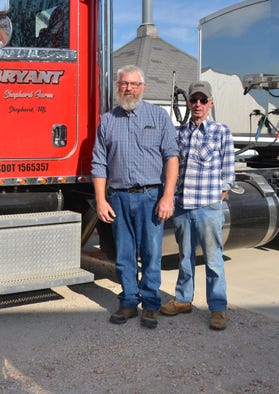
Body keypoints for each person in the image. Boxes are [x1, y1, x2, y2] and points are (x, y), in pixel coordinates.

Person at [91, 65, 179, 329]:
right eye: (123, 84)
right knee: (124, 255)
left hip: (151, 197)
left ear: (142, 86)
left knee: (151, 253)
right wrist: (101, 200)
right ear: (117, 86)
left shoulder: (158, 116)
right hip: (118, 198)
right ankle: (128, 301)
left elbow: (171, 157)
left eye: (133, 84)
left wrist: (168, 196)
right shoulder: (107, 120)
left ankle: (150, 305)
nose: (128, 89)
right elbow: (98, 163)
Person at [159, 80, 235, 331]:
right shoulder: (179, 133)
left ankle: (218, 308)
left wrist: (219, 196)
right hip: (182, 206)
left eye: (203, 100)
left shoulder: (221, 131)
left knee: (213, 259)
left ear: (211, 103)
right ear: (188, 103)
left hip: (207, 207)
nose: (198, 104)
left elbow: (228, 170)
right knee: (185, 256)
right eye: (194, 100)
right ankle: (183, 300)